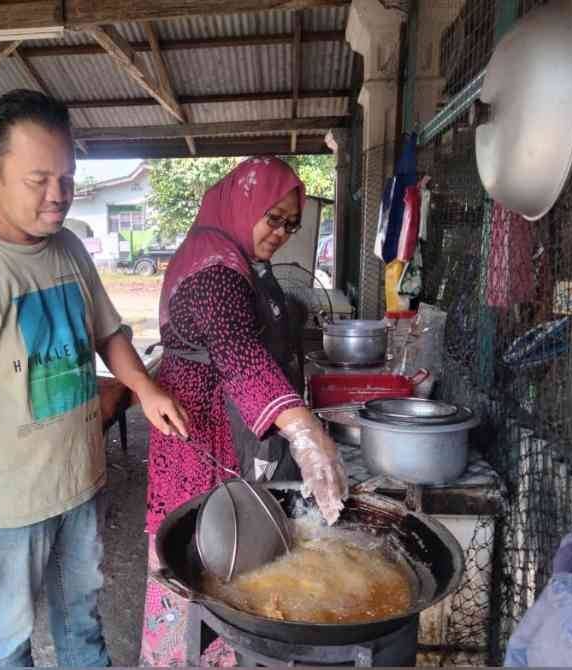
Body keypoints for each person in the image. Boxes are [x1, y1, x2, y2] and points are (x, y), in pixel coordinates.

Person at [0, 89, 189, 668]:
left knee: (83, 625)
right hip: (4, 508)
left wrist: (145, 387)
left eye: (67, 177)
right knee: (6, 646)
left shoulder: (69, 249)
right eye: (38, 180)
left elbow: (108, 334)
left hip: (79, 485)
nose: (57, 196)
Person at [138, 156, 349, 666]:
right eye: (272, 218)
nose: (281, 233)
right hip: (200, 433)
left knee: (224, 549)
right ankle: (191, 657)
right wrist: (305, 431)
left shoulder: (229, 254)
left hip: (221, 423)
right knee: (201, 553)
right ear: (244, 202)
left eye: (291, 224)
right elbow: (239, 353)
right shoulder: (214, 270)